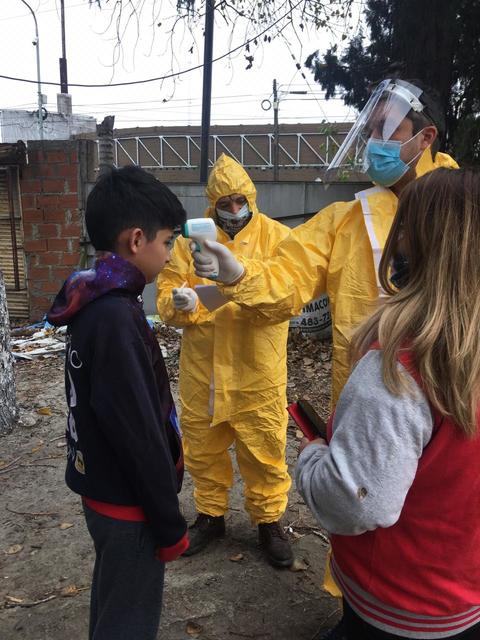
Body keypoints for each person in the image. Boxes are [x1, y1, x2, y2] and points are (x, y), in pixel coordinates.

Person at [190, 78, 458, 408]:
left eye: (387, 130)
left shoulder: (464, 208)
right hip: (363, 409)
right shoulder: (344, 221)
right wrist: (239, 276)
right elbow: (288, 279)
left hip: (452, 402)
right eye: (371, 131)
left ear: (425, 138)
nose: (375, 142)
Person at [296, 167, 480, 640]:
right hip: (464, 597)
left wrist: (314, 459)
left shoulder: (400, 367)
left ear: (414, 244)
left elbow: (358, 501)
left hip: (397, 608)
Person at [47, 166, 189, 640]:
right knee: (129, 618)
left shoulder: (95, 297)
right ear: (135, 240)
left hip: (103, 490)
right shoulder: (115, 317)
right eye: (167, 243)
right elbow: (138, 432)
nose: (169, 257)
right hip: (130, 505)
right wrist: (168, 525)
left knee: (115, 603)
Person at [156, 153, 294, 567]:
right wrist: (182, 303)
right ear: (210, 203)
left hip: (258, 369)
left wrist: (239, 283)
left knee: (265, 448)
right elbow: (166, 296)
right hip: (205, 369)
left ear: (251, 197)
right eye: (225, 203)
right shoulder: (186, 243)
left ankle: (269, 522)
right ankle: (210, 515)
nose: (234, 210)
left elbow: (287, 298)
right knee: (202, 446)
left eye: (239, 200)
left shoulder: (278, 238)